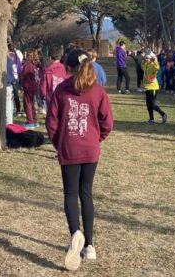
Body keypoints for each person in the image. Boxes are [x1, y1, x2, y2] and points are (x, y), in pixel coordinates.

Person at [45, 49, 113, 272]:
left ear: (69, 68)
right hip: (90, 149)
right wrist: (96, 138)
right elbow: (107, 123)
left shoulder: (61, 90)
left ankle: (76, 232)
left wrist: (59, 143)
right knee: (86, 194)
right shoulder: (98, 90)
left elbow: (51, 123)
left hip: (69, 149)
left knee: (70, 194)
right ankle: (90, 245)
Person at [141, 51, 168, 124]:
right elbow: (142, 66)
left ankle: (163, 114)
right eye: (146, 58)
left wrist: (155, 59)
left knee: (152, 104)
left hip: (153, 87)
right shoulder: (146, 64)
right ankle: (151, 119)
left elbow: (157, 67)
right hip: (147, 87)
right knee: (148, 104)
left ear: (151, 59)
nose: (146, 59)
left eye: (148, 58)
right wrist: (143, 58)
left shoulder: (153, 65)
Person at [20, 50, 40, 129]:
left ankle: (30, 121)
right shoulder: (35, 65)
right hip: (34, 86)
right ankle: (34, 120)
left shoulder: (28, 65)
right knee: (32, 104)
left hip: (28, 87)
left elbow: (22, 74)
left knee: (27, 104)